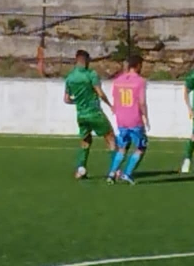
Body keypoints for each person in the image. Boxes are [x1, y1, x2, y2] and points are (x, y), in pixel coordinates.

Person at [64, 50, 116, 180]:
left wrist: (80, 101)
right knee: (110, 137)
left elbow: (66, 99)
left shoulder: (70, 77)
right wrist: (110, 104)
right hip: (94, 113)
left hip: (81, 115)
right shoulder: (91, 74)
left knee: (85, 140)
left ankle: (80, 169)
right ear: (85, 60)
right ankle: (115, 169)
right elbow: (100, 92)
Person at [109, 55, 149, 185]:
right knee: (141, 146)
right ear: (137, 66)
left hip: (121, 120)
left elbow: (115, 101)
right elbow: (142, 102)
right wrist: (146, 117)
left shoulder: (117, 81)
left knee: (122, 147)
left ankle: (111, 173)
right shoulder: (140, 81)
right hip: (135, 119)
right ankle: (127, 173)